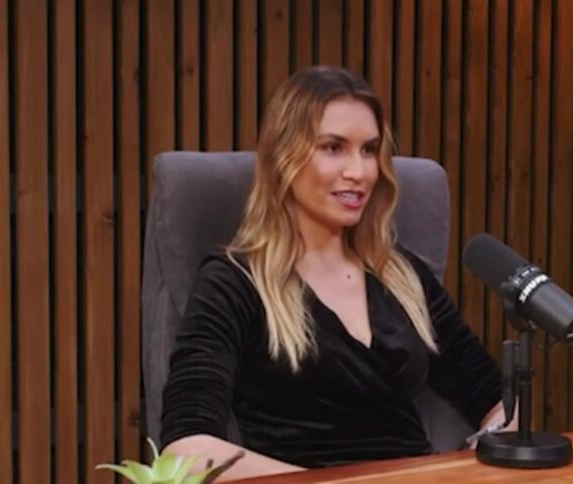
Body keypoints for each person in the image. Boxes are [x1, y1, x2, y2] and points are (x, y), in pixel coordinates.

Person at [160, 65, 513, 481]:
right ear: (284, 157)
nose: (359, 172)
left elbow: (497, 400)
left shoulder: (402, 274)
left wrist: (485, 454)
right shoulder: (235, 283)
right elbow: (186, 450)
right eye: (333, 148)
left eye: (369, 150)